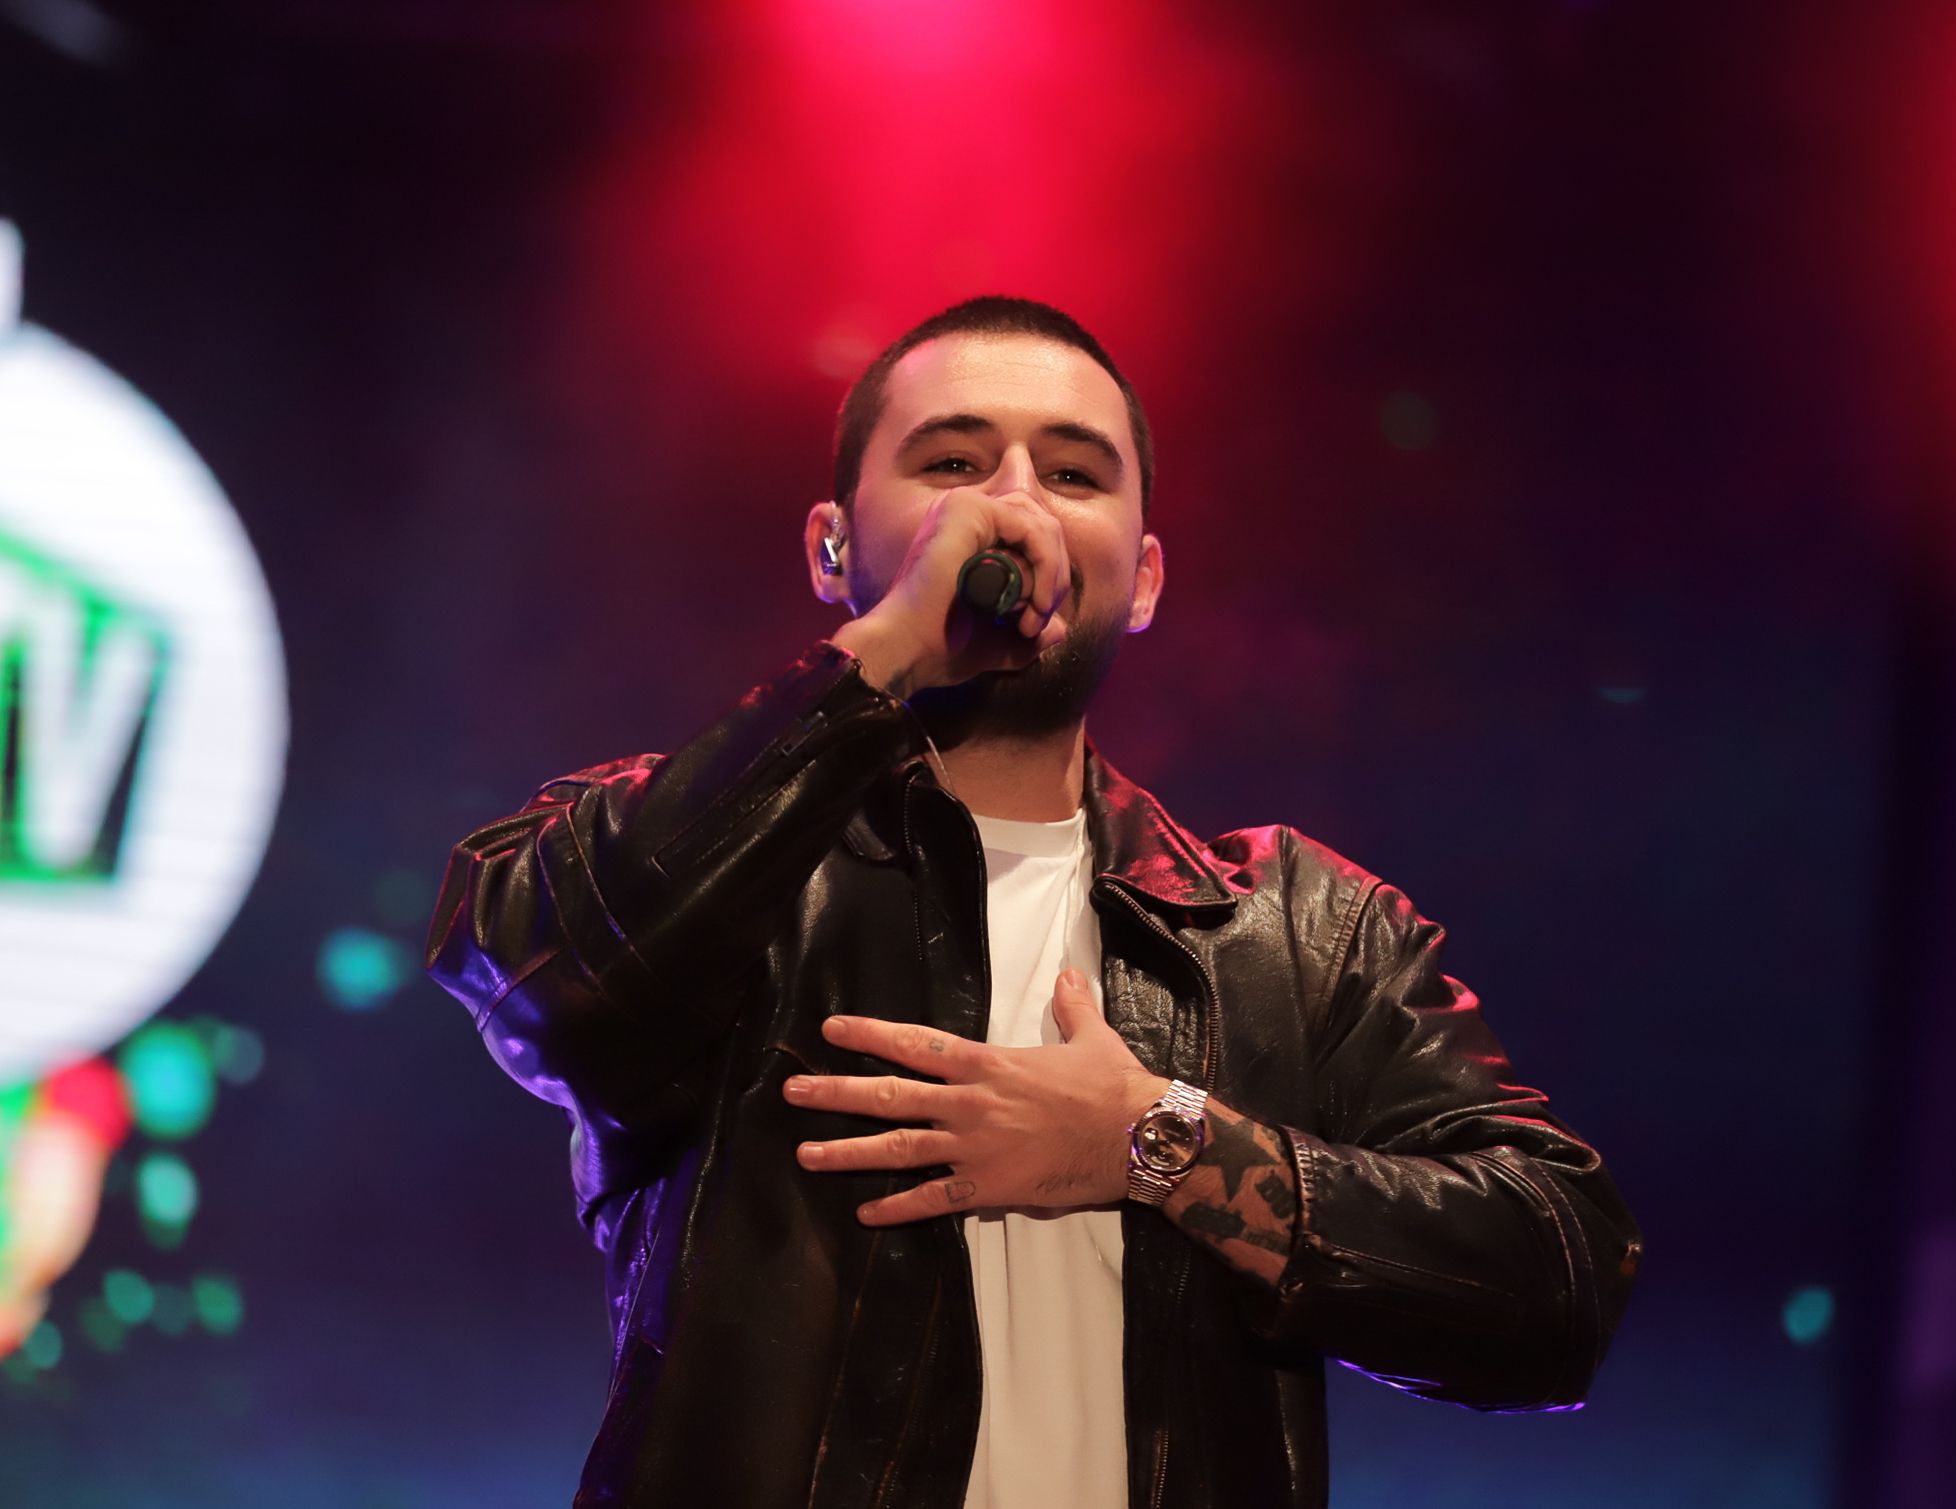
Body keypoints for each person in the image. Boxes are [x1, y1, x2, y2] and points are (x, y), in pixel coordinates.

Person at [423, 296, 1642, 1509]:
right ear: (832, 550)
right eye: (953, 464)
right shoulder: (706, 851)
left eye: (1072, 474)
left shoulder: (1303, 929)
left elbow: (1558, 1286)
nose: (1012, 504)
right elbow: (547, 986)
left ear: (1145, 576)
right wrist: (887, 651)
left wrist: (1160, 1143)